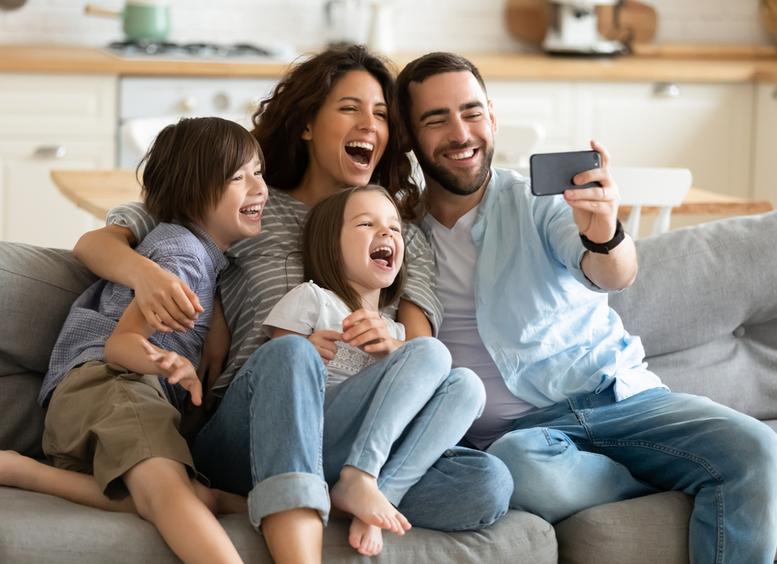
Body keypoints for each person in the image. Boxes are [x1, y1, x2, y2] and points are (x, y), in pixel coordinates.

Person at [72, 44, 512, 564]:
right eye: (349, 108)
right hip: (253, 421)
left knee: (486, 482)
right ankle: (297, 493)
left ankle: (349, 488)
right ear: (306, 123)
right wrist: (185, 294)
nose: (369, 124)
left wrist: (388, 346)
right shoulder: (246, 202)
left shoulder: (400, 231)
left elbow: (424, 357)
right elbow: (99, 243)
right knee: (291, 352)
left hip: (353, 434)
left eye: (380, 114)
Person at [395, 51, 777, 564]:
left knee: (756, 448)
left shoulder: (538, 200)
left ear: (492, 118)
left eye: (472, 112)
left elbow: (613, 272)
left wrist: (604, 231)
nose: (461, 133)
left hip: (619, 399)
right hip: (526, 439)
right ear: (410, 135)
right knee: (517, 467)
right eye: (436, 119)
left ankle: (662, 471)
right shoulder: (399, 235)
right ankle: (652, 481)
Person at [0, 116, 269, 564]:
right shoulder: (181, 255)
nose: (260, 187)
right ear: (193, 192)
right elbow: (120, 345)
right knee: (171, 496)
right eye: (238, 178)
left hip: (102, 405)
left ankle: (18, 469)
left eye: (258, 172)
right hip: (112, 384)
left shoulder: (202, 257)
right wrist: (166, 362)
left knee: (187, 497)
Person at [263, 184, 485, 555]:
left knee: (469, 385)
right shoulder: (313, 297)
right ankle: (359, 480)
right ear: (331, 245)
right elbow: (275, 369)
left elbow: (431, 385)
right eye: (367, 224)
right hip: (311, 437)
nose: (386, 232)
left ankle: (378, 493)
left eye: (394, 227)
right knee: (430, 351)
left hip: (376, 452)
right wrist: (307, 350)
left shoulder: (396, 331)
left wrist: (395, 350)